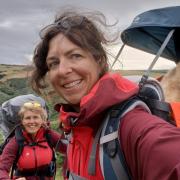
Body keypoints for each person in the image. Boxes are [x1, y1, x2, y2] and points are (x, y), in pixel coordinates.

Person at [30, 9, 180, 180]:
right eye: (53, 63)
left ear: (99, 60)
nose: (63, 70)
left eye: (75, 56)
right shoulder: (74, 125)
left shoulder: (133, 125)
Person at [0, 101, 66, 179]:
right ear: (22, 121)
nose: (32, 122)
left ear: (42, 120)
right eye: (27, 118)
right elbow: (2, 168)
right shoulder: (17, 141)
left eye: (35, 117)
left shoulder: (49, 135)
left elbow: (71, 149)